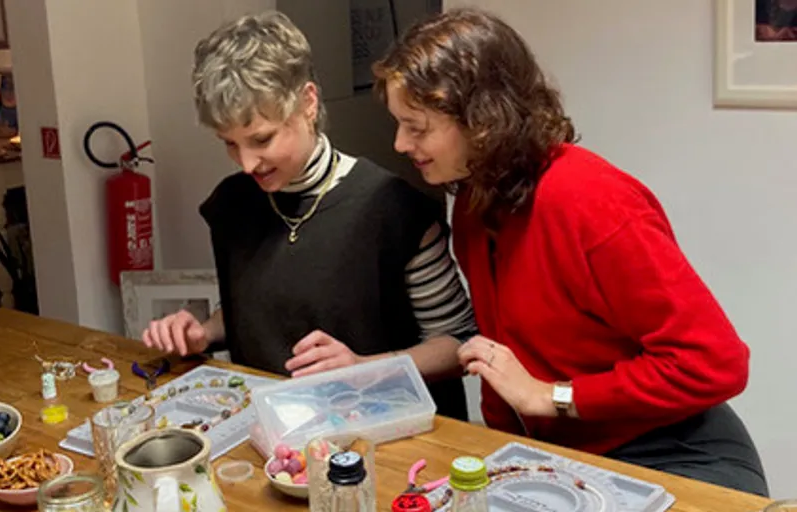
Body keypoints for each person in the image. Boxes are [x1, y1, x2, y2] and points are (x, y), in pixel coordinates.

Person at [373, 7, 769, 496]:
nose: (399, 143)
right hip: (570, 458)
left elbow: (715, 363)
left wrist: (554, 397)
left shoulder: (590, 201)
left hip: (673, 452)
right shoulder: (476, 204)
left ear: (481, 120)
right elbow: (505, 361)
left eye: (416, 126)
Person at [142, 11, 476, 420]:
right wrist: (203, 333)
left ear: (308, 102)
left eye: (261, 139)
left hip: (387, 433)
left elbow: (458, 343)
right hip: (277, 436)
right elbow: (258, 308)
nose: (247, 164)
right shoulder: (232, 204)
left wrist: (365, 368)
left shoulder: (393, 209)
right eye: (229, 143)